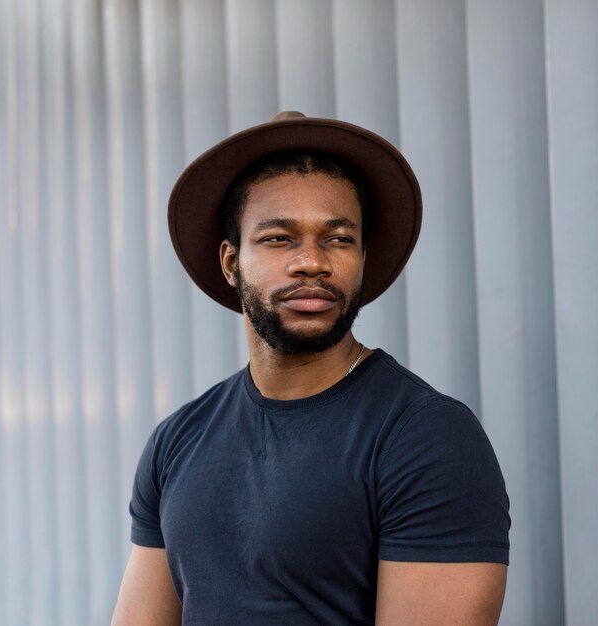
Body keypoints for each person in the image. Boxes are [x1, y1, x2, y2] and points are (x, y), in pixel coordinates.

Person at [112, 112, 510, 625]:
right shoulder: (178, 440)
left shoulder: (426, 437)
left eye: (339, 239)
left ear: (363, 257)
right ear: (232, 263)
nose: (312, 262)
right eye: (279, 238)